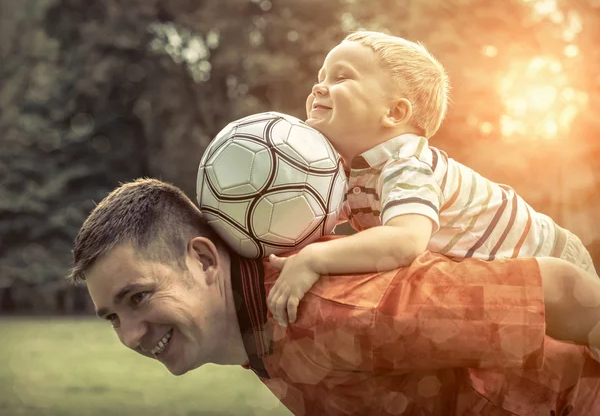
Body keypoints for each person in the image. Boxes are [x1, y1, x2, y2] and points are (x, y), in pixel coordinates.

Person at [69, 178, 600, 415]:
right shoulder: (263, 333)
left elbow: (559, 290)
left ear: (205, 260)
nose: (130, 336)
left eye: (137, 298)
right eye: (112, 317)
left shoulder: (331, 312)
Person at [266, 30, 596, 327]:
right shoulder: (346, 172)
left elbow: (404, 241)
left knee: (579, 357)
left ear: (394, 113)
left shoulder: (405, 162)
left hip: (551, 259)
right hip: (512, 277)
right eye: (321, 76)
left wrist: (312, 259)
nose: (318, 86)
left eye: (341, 78)